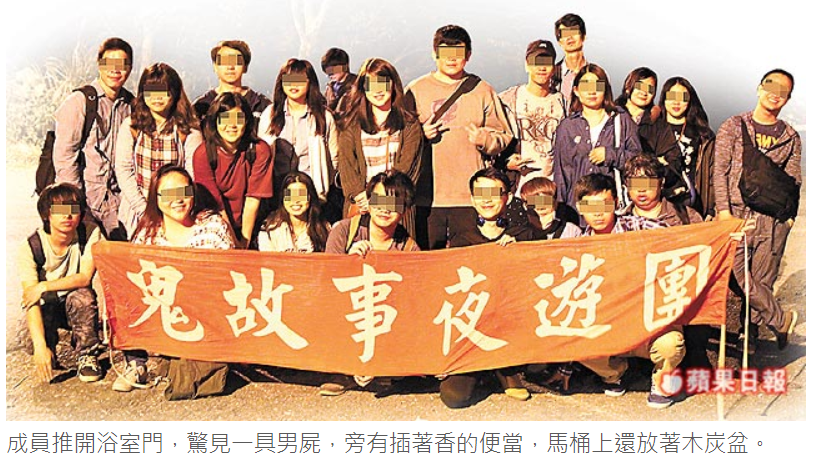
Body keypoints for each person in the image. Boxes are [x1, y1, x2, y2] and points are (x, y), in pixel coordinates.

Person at [114, 165, 234, 392]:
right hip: (163, 313)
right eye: (169, 194)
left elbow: (228, 277)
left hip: (204, 315)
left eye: (184, 192)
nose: (178, 200)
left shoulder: (213, 227)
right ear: (156, 198)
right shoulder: (147, 235)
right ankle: (136, 364)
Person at [572, 173, 684, 409]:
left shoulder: (639, 227)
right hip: (608, 325)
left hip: (647, 322)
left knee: (670, 345)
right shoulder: (577, 246)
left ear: (616, 203)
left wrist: (724, 234)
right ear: (580, 208)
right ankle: (614, 373)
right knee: (572, 341)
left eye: (604, 205)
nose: (598, 213)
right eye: (590, 207)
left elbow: (682, 241)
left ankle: (660, 380)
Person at [714, 69, 801, 351]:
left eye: (783, 91)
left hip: (771, 221)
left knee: (763, 279)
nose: (775, 94)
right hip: (737, 216)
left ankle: (748, 336)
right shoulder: (733, 126)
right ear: (759, 88)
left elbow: (794, 181)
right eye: (771, 86)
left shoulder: (790, 137)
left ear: (787, 99)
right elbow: (720, 171)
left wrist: (788, 220)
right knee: (737, 274)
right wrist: (723, 211)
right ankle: (780, 320)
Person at [404, 24, 513, 250]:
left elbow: (504, 135)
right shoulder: (416, 89)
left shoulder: (482, 90)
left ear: (468, 55)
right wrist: (420, 136)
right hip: (427, 197)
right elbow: (400, 137)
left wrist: (485, 139)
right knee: (428, 260)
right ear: (434, 54)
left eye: (458, 52)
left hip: (471, 198)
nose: (452, 59)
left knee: (469, 261)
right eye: (445, 52)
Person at [319, 170, 420, 396]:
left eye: (393, 203)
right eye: (379, 200)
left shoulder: (409, 248)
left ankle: (383, 364)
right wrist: (348, 262)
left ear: (405, 209)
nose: (384, 209)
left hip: (385, 321)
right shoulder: (344, 230)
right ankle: (343, 370)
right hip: (346, 315)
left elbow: (413, 301)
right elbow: (326, 282)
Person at [440, 167, 534, 408]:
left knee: (540, 366)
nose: (487, 199)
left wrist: (518, 253)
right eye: (480, 193)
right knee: (454, 396)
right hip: (471, 331)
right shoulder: (461, 239)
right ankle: (483, 370)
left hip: (509, 330)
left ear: (507, 198)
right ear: (472, 199)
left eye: (494, 193)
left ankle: (505, 370)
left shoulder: (524, 235)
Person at [18, 183, 104, 384]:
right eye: (60, 210)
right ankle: (57, 344)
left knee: (83, 297)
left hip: (74, 301)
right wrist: (40, 346)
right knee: (30, 341)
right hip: (47, 305)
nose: (68, 216)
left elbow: (84, 277)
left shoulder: (89, 233)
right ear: (47, 214)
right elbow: (31, 300)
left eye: (73, 209)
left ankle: (87, 354)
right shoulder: (31, 246)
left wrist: (43, 286)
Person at [53, 37, 135, 240]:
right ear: (99, 65)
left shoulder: (132, 106)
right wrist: (75, 205)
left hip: (119, 204)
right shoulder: (80, 102)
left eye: (122, 64)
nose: (115, 70)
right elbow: (65, 157)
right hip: (86, 202)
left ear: (130, 68)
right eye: (109, 63)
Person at [114, 62, 203, 238]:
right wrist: (143, 209)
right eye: (151, 91)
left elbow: (192, 175)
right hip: (137, 211)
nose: (157, 97)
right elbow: (124, 170)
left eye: (163, 91)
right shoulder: (131, 126)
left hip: (176, 210)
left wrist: (170, 209)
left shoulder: (188, 130)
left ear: (174, 93)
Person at [336, 57, 422, 231]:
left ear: (393, 84)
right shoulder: (351, 124)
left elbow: (408, 170)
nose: (378, 91)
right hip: (361, 207)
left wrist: (379, 200)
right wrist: (360, 196)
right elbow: (346, 166)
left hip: (396, 208)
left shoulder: (409, 125)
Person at [552, 63, 641, 218]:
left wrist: (610, 155)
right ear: (576, 91)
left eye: (597, 86)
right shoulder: (567, 127)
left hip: (613, 209)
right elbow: (561, 174)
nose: (592, 92)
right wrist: (561, 213)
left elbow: (638, 162)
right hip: (577, 211)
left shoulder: (621, 120)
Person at [193, 92, 274, 248]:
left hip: (252, 224)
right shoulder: (203, 154)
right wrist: (233, 242)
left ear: (247, 121)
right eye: (225, 119)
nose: (232, 125)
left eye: (238, 119)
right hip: (216, 224)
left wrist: (244, 242)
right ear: (215, 121)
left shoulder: (259, 150)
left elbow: (253, 199)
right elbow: (216, 204)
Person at [258, 59, 339, 206]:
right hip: (276, 192)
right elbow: (261, 154)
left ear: (310, 83)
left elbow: (334, 157)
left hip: (312, 193)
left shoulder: (323, 117)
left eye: (299, 80)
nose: (293, 84)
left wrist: (323, 183)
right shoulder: (270, 114)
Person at [499, 39, 567, 190]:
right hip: (516, 188)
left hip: (550, 188)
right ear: (526, 65)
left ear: (554, 67)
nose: (541, 68)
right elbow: (493, 142)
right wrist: (505, 162)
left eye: (547, 62)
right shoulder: (507, 100)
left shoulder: (564, 103)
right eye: (536, 62)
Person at [656, 77, 716, 217]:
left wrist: (711, 209)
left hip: (694, 206)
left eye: (682, 97)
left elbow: (713, 174)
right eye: (672, 96)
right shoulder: (652, 130)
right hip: (659, 206)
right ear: (664, 99)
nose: (676, 102)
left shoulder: (703, 135)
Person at [193, 40, 271, 126]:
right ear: (215, 66)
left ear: (245, 67)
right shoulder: (200, 106)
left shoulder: (262, 105)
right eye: (224, 61)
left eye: (236, 61)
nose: (230, 67)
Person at [618, 153, 703, 226]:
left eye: (647, 183)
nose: (641, 190)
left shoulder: (688, 217)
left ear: (661, 182)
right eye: (635, 183)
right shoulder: (619, 223)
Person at [257, 171, 331, 253]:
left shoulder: (324, 229)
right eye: (290, 196)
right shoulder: (269, 229)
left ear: (310, 197)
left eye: (301, 195)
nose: (296, 200)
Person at [552, 13, 588, 109]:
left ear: (584, 36)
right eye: (565, 34)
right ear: (559, 42)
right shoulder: (551, 75)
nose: (569, 38)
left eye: (574, 32)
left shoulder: (597, 75)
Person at [321, 47, 358, 113]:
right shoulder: (330, 87)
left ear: (345, 67)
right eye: (327, 71)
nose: (330, 75)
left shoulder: (357, 84)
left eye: (333, 70)